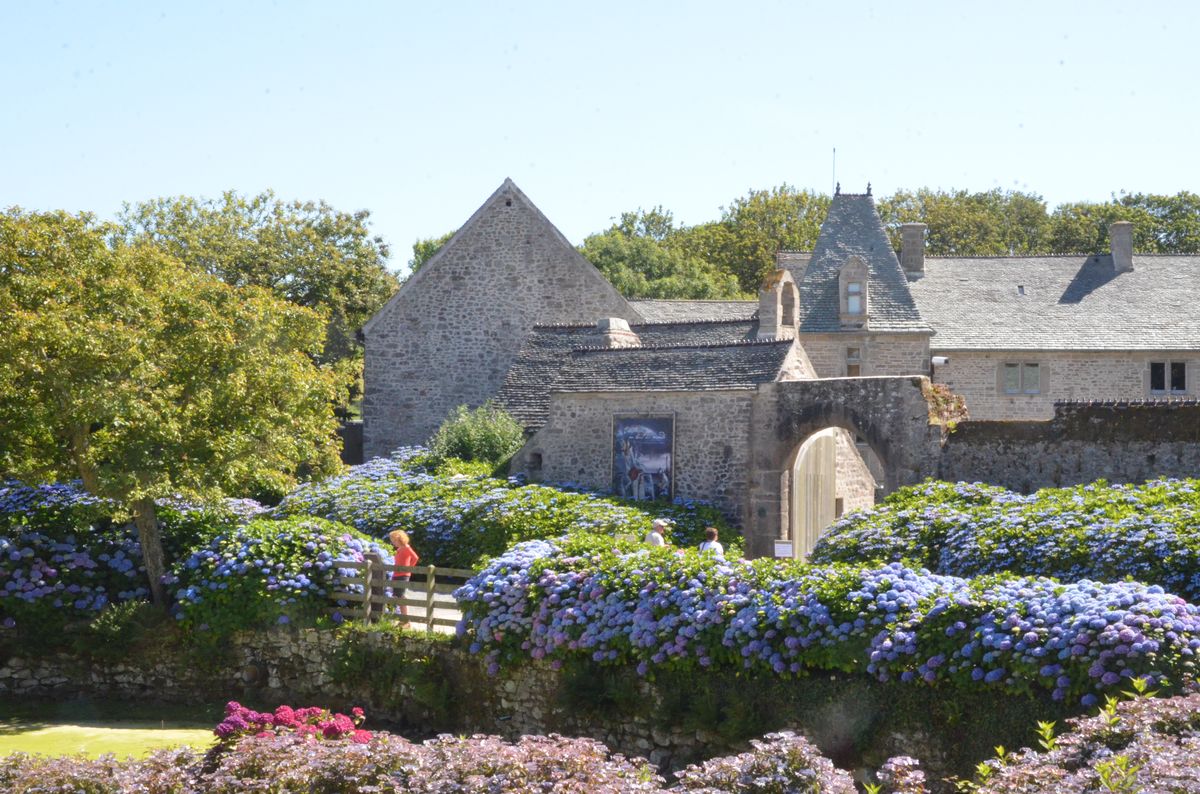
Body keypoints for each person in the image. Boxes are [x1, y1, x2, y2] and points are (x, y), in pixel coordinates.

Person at [388, 529, 420, 617]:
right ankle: (402, 618)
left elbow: (415, 558)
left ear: (400, 539)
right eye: (392, 541)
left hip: (403, 575)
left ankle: (405, 619)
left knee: (400, 596)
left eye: (394, 540)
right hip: (396, 574)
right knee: (397, 596)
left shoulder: (406, 547)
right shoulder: (399, 549)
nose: (393, 543)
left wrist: (409, 568)